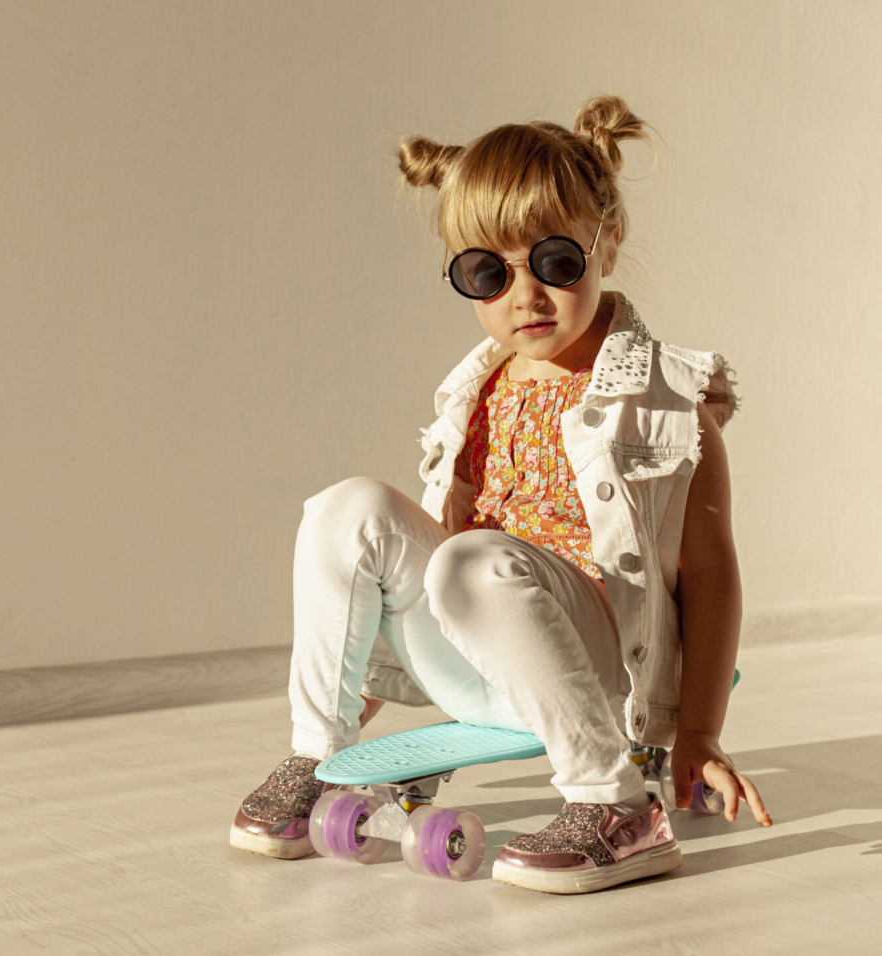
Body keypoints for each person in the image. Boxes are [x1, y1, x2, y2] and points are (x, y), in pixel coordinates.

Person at [228, 95, 773, 894]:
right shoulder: (474, 392)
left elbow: (712, 570)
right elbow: (413, 571)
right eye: (488, 272)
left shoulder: (664, 401)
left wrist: (697, 734)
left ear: (606, 241)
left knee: (472, 562)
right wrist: (359, 709)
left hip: (593, 667)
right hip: (475, 646)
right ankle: (318, 755)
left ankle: (613, 806)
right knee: (347, 508)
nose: (525, 295)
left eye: (555, 261)